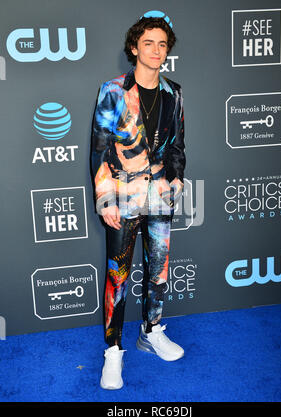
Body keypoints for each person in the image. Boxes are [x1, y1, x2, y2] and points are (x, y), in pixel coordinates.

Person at [91, 14, 186, 390]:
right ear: (134, 48)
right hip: (123, 198)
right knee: (118, 277)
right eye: (149, 43)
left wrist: (177, 178)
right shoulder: (112, 91)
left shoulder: (173, 92)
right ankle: (112, 351)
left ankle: (152, 332)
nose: (156, 50)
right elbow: (100, 149)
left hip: (161, 196)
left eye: (162, 44)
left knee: (158, 272)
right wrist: (105, 199)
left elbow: (177, 146)